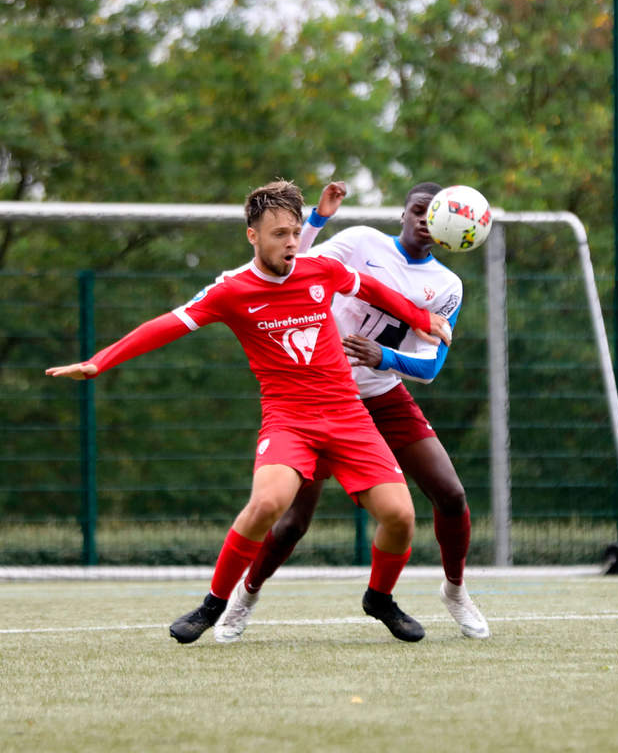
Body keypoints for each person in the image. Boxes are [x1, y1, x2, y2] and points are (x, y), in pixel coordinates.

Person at [46, 180, 453, 645]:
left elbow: (378, 291)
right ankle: (214, 604)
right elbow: (166, 325)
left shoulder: (321, 270)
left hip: (347, 415)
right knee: (266, 505)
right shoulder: (231, 290)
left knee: (400, 516)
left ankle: (379, 598)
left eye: (296, 232)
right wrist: (101, 361)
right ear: (252, 236)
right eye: (279, 233)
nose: (291, 242)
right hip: (289, 419)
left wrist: (424, 320)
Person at [212, 180, 490, 642]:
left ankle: (455, 591)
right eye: (418, 209)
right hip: (319, 397)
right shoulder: (362, 242)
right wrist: (318, 218)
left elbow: (433, 365)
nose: (424, 218)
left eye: (432, 213)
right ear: (403, 213)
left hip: (384, 395)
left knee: (452, 494)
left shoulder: (447, 285)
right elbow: (294, 263)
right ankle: (246, 596)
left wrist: (384, 359)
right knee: (292, 523)